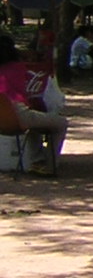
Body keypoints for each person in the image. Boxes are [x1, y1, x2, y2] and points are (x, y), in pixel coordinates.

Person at [0, 33, 67, 173]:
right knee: (61, 123)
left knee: (34, 124)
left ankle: (37, 160)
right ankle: (50, 165)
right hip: (17, 113)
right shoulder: (18, 68)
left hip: (4, 120)